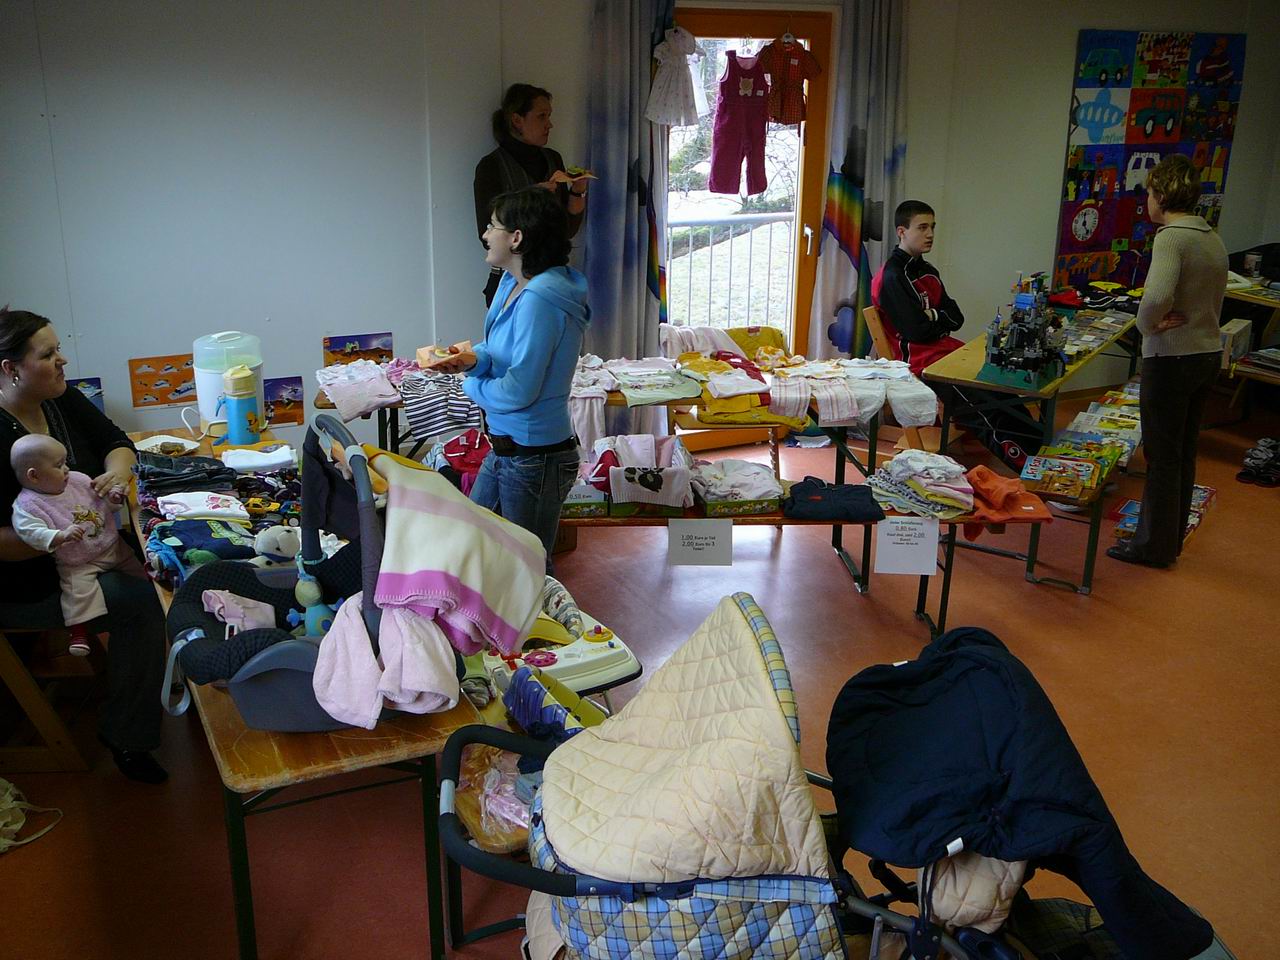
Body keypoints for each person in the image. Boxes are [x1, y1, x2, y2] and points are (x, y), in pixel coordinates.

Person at [0, 308, 167, 783]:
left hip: (88, 551)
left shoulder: (57, 399)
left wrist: (117, 473)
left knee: (162, 567)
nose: (63, 361)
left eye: (58, 350)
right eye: (48, 354)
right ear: (11, 368)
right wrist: (64, 532)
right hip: (28, 584)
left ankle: (160, 683)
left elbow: (116, 441)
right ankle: (128, 736)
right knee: (143, 602)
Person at [436, 187, 590, 569]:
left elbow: (519, 390)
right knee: (474, 542)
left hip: (535, 457)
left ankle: (543, 612)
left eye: (492, 226)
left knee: (528, 569)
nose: (485, 234)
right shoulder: (511, 283)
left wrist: (468, 385)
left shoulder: (540, 299)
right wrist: (471, 360)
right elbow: (497, 348)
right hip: (508, 449)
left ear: (516, 238)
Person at [1107, 155, 1226, 569]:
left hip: (1173, 357)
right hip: (1206, 354)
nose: (1147, 201)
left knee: (1160, 456)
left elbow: (1156, 296)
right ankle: (1168, 539)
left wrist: (1146, 326)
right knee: (1183, 452)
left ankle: (1151, 548)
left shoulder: (1172, 238)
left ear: (1161, 195)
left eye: (1150, 193)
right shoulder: (1210, 235)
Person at [11, 434, 148, 656]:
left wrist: (113, 498)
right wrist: (58, 536)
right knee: (78, 594)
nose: (66, 469)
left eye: (65, 462)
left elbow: (101, 503)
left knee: (140, 572)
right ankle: (78, 632)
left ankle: (154, 589)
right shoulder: (28, 505)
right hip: (78, 561)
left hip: (111, 546)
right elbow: (30, 532)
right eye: (58, 466)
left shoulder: (77, 480)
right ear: (34, 476)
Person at [474, 83, 588, 307]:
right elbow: (486, 236)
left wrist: (577, 191)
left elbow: (566, 230)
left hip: (553, 279)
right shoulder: (491, 166)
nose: (549, 124)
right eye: (541, 116)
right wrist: (529, 197)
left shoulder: (553, 159)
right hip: (509, 283)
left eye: (549, 116)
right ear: (517, 120)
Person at [871, 200, 966, 378]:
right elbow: (916, 332)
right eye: (922, 228)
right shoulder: (892, 276)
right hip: (914, 363)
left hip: (940, 350)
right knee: (980, 382)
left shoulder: (929, 271)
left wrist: (931, 315)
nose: (930, 234)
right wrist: (940, 319)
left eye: (932, 227)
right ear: (901, 232)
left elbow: (957, 318)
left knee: (986, 365)